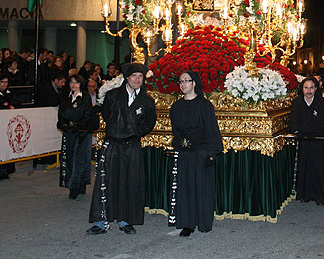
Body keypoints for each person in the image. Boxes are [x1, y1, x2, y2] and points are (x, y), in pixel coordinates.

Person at [87, 63, 157, 235]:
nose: (137, 80)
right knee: (105, 182)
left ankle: (126, 220)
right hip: (112, 144)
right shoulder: (112, 96)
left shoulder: (147, 100)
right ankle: (101, 221)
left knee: (130, 181)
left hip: (132, 146)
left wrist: (135, 131)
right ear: (126, 78)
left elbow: (150, 122)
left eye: (140, 77)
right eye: (134, 76)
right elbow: (106, 114)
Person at [168, 71, 223, 236]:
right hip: (184, 153)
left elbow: (212, 130)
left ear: (194, 83)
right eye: (180, 81)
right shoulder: (176, 107)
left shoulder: (204, 105)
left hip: (201, 153)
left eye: (186, 81)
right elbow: (176, 132)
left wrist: (212, 153)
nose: (183, 84)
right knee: (185, 189)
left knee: (202, 188)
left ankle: (203, 222)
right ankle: (187, 223)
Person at [289, 77, 324, 206]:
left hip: (318, 140)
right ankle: (304, 194)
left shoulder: (321, 102)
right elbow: (294, 122)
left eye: (311, 87)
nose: (309, 91)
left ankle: (319, 195)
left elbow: (323, 123)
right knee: (304, 167)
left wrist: (309, 131)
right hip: (303, 141)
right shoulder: (297, 102)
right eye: (306, 87)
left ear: (316, 89)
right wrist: (303, 132)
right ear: (302, 89)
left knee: (318, 168)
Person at [58, 74, 98, 199]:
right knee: (69, 158)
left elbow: (86, 114)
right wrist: (63, 124)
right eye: (71, 82)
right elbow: (61, 113)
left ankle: (78, 185)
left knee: (80, 159)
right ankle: (72, 184)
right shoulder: (66, 97)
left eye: (76, 83)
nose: (73, 85)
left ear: (81, 84)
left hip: (82, 133)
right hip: (69, 133)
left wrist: (78, 124)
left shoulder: (85, 97)